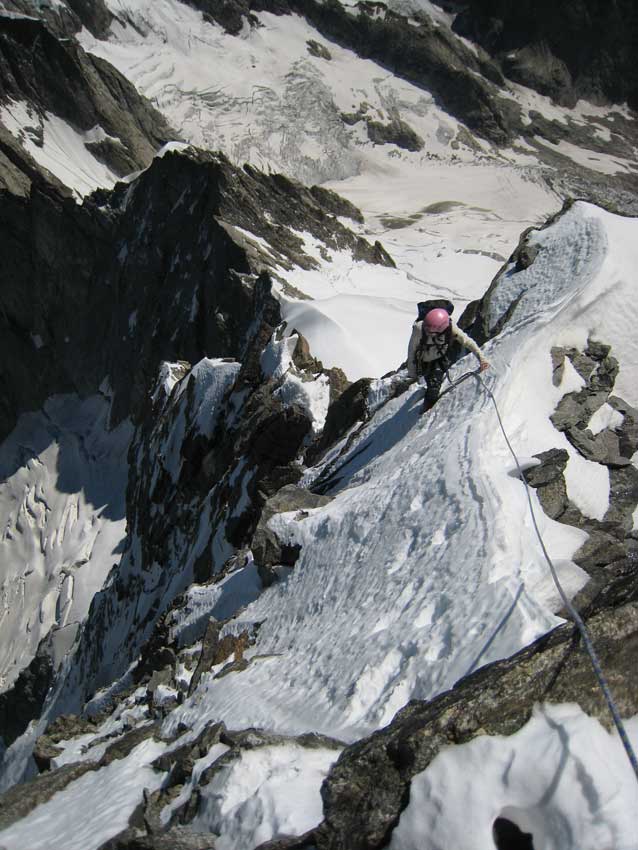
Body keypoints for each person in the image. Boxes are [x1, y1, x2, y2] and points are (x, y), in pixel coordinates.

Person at [407, 306, 490, 411]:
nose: (429, 332)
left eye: (432, 332)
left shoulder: (450, 328)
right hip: (426, 361)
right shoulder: (419, 329)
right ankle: (429, 402)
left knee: (434, 383)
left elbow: (467, 342)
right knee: (432, 382)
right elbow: (412, 351)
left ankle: (428, 405)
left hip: (441, 356)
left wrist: (482, 359)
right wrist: (412, 372)